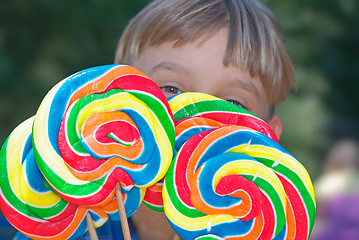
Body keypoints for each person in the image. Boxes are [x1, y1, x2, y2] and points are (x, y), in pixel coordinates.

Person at [114, 0, 296, 239]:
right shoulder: (76, 224)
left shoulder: (265, 230)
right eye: (171, 89)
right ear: (116, 104)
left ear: (268, 138)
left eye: (233, 104)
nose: (198, 121)